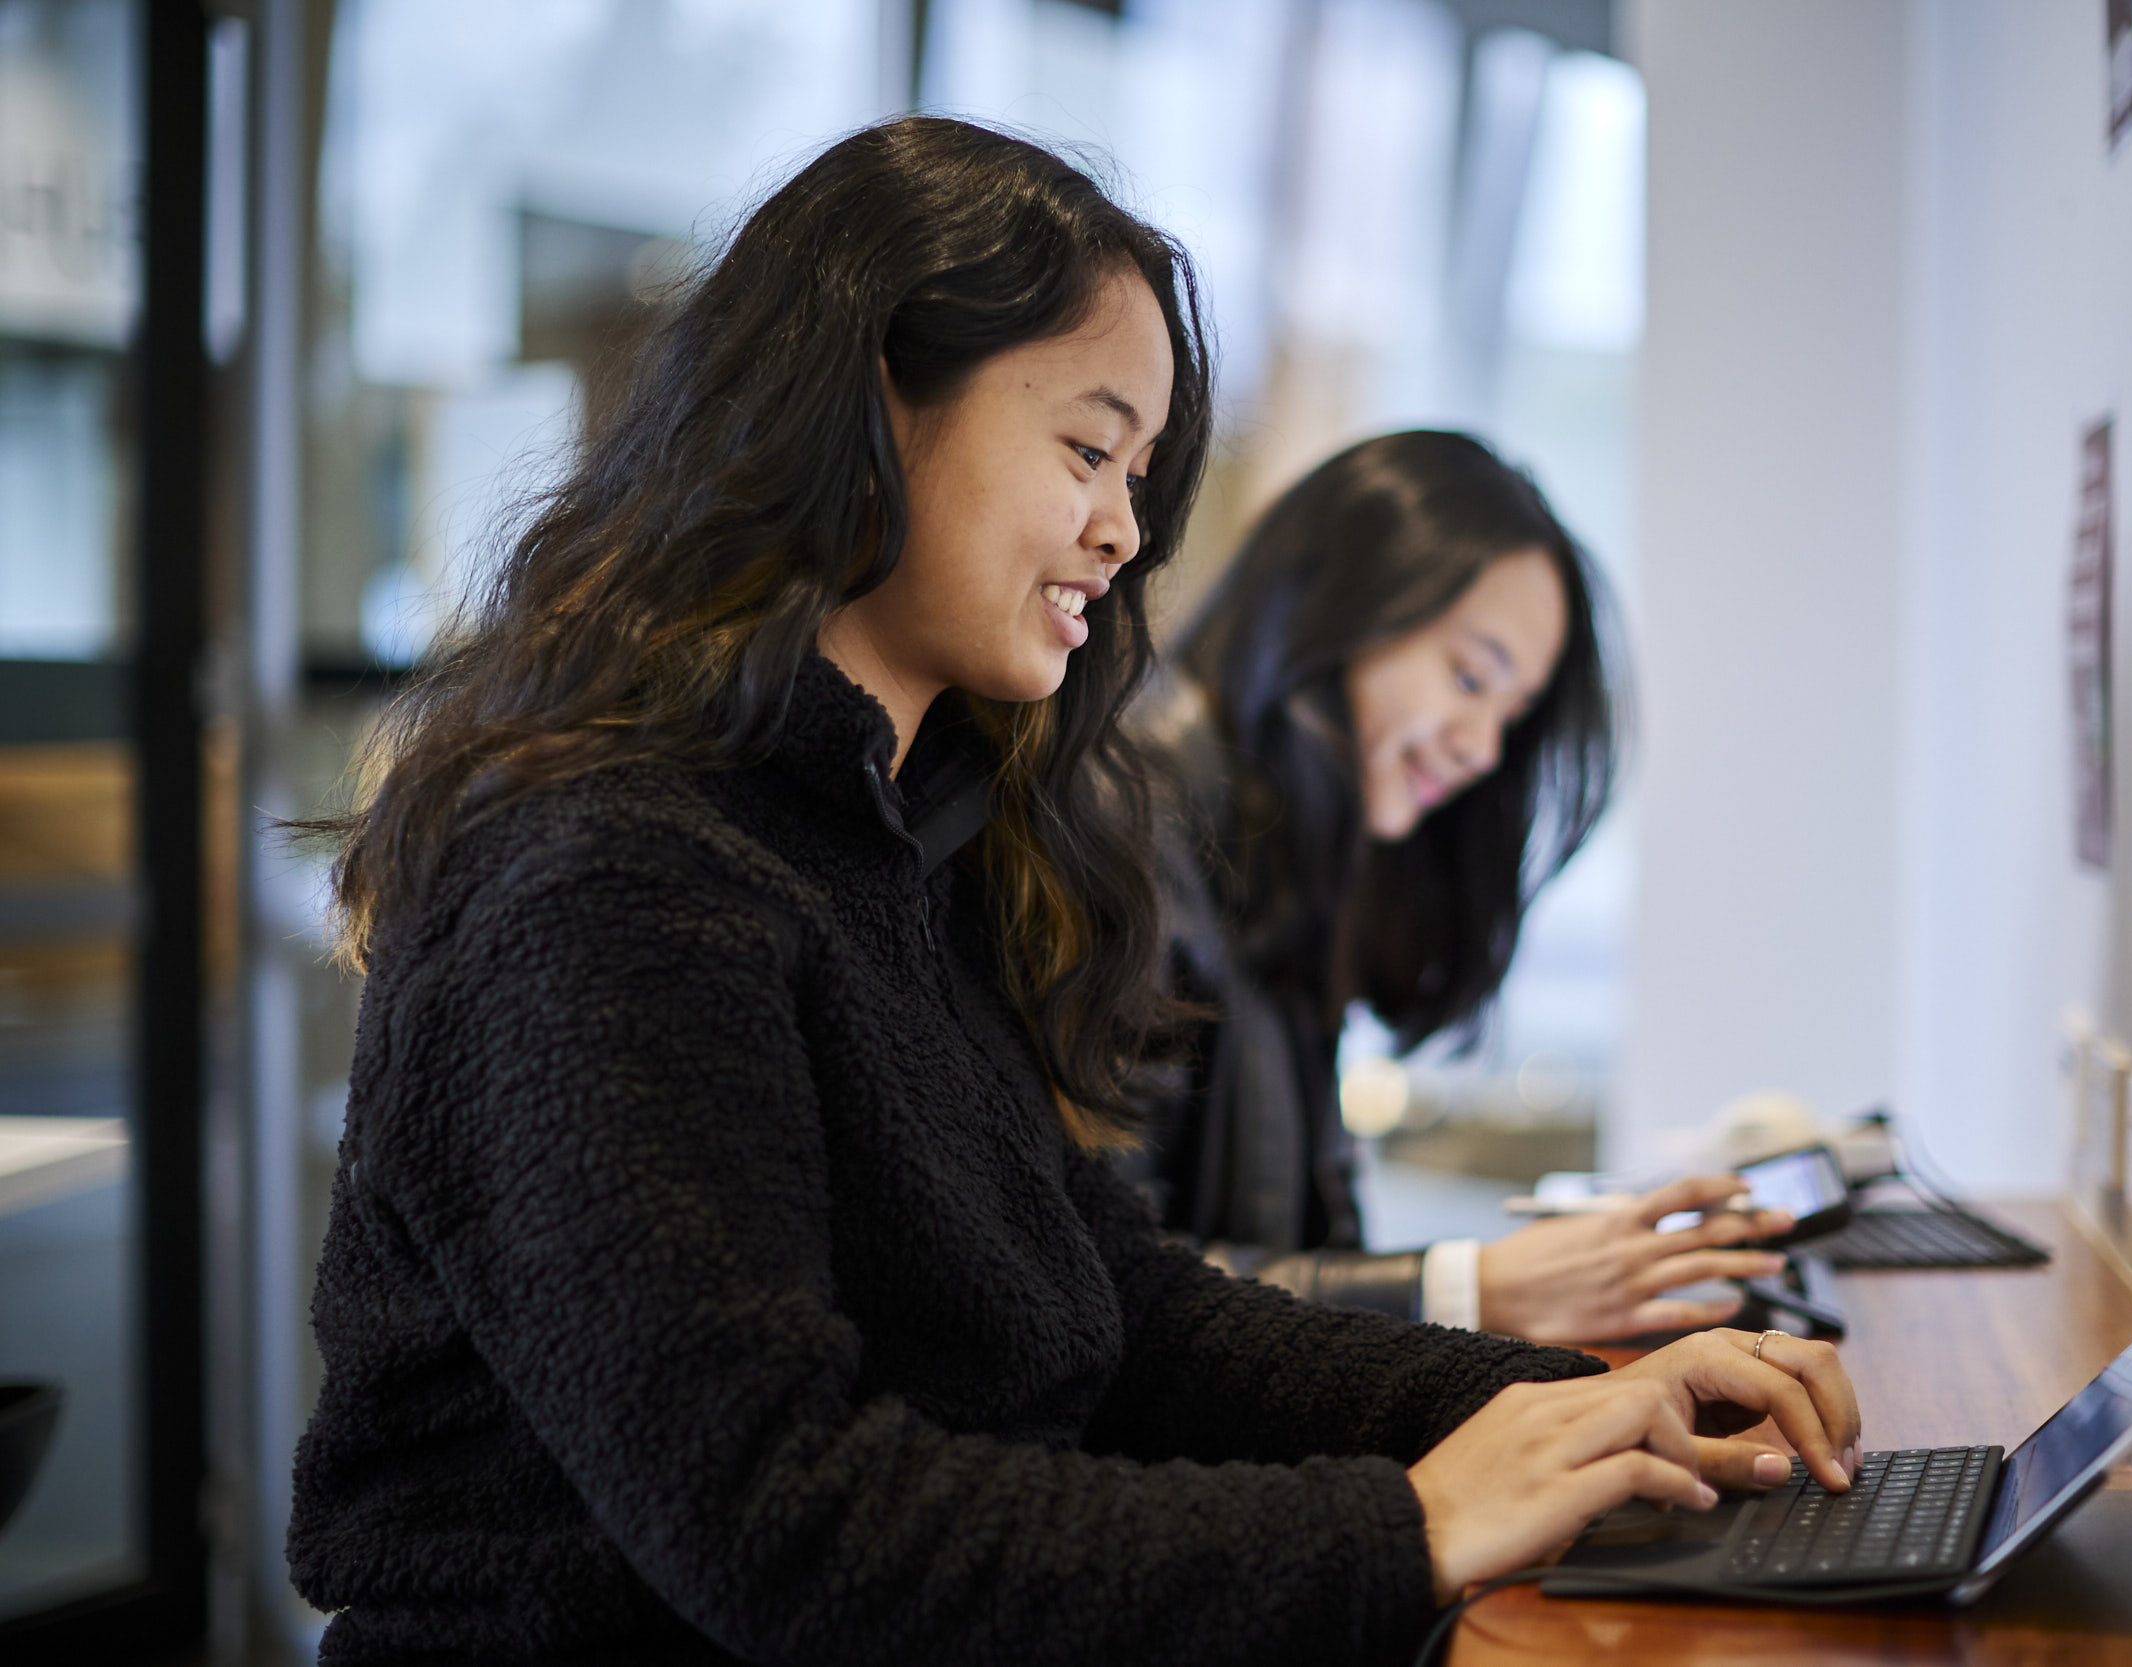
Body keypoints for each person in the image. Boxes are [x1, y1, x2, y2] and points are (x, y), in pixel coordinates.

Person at [285, 118, 1862, 1667]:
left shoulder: (904, 841)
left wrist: (1544, 1400)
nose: (1123, 530)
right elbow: (784, 1526)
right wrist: (1413, 1521)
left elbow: (1119, 1314)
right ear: (873, 408)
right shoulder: (604, 874)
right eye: (1088, 449)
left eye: (1139, 471)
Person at [1137, 432, 1794, 1342]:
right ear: (1333, 604)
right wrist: (1465, 1290)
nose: (1482, 750)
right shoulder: (1132, 824)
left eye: (1508, 713)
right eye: (1469, 676)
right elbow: (1111, 1289)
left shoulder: (1285, 859)